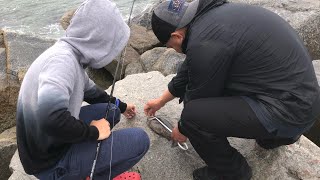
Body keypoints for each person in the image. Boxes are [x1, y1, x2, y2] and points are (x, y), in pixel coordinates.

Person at [144, 0, 320, 179]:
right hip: (305, 102)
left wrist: (182, 128)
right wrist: (161, 100)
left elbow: (197, 101)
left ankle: (232, 172)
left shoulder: (204, 42)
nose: (174, 50)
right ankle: (280, 136)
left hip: (288, 111)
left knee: (192, 117)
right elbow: (191, 68)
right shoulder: (211, 17)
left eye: (170, 46)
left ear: (177, 36)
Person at [16, 0, 150, 179]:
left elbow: (94, 93)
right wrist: (94, 133)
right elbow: (51, 118)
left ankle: (84, 162)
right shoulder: (62, 62)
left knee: (112, 111)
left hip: (47, 143)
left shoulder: (69, 54)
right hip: (50, 162)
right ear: (98, 38)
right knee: (140, 140)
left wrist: (122, 106)